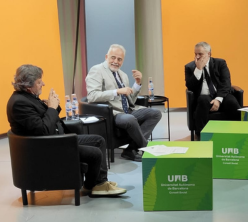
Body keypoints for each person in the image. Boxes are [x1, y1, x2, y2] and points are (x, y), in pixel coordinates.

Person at [7, 64, 126, 196]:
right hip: (48, 148)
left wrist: (53, 107)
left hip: (56, 140)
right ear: (29, 86)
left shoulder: (28, 97)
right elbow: (43, 130)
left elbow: (43, 120)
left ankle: (99, 183)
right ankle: (94, 186)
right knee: (95, 153)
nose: (43, 84)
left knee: (98, 140)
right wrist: (51, 108)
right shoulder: (19, 103)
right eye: (39, 82)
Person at [85, 44, 162, 161]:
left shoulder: (123, 75)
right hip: (113, 113)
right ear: (106, 57)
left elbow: (130, 99)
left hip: (128, 110)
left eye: (119, 59)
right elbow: (92, 96)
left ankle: (131, 149)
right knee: (129, 119)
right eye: (113, 57)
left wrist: (137, 83)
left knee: (156, 113)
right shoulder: (97, 70)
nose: (116, 61)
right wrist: (116, 91)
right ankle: (145, 146)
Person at [184, 41, 241, 139]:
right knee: (202, 101)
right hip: (204, 96)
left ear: (209, 54)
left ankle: (239, 132)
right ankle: (202, 135)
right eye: (195, 54)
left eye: (200, 54)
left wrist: (218, 99)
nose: (197, 57)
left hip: (221, 94)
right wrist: (198, 70)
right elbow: (190, 86)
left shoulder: (220, 63)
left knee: (232, 102)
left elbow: (226, 83)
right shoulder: (190, 67)